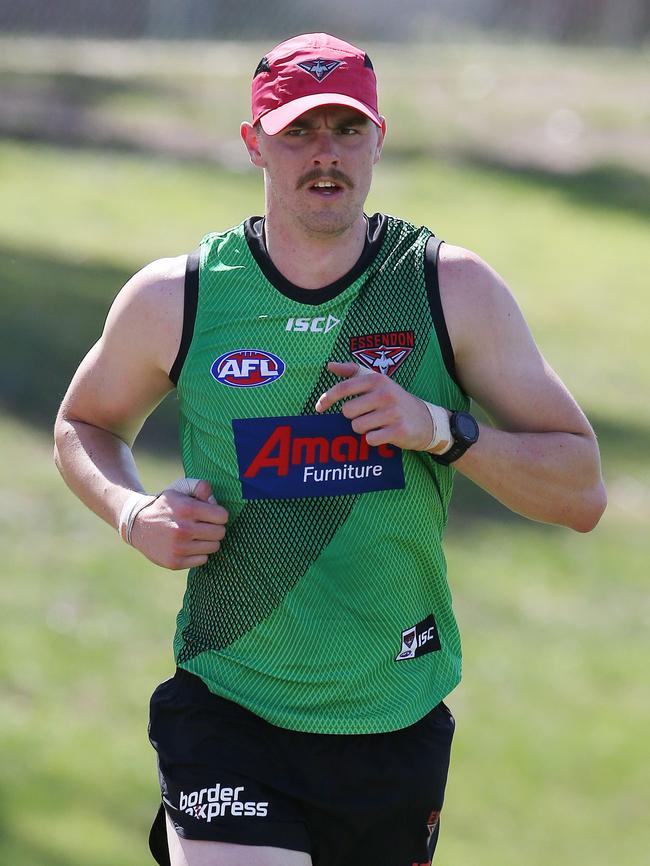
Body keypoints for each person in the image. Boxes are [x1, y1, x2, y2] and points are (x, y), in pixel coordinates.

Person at [53, 32, 606, 866]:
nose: (325, 155)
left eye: (347, 130)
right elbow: (82, 425)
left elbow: (582, 491)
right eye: (298, 131)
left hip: (394, 716)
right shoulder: (183, 295)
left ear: (379, 140)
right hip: (229, 708)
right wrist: (134, 513)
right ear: (254, 145)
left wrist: (438, 430)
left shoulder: (448, 289)